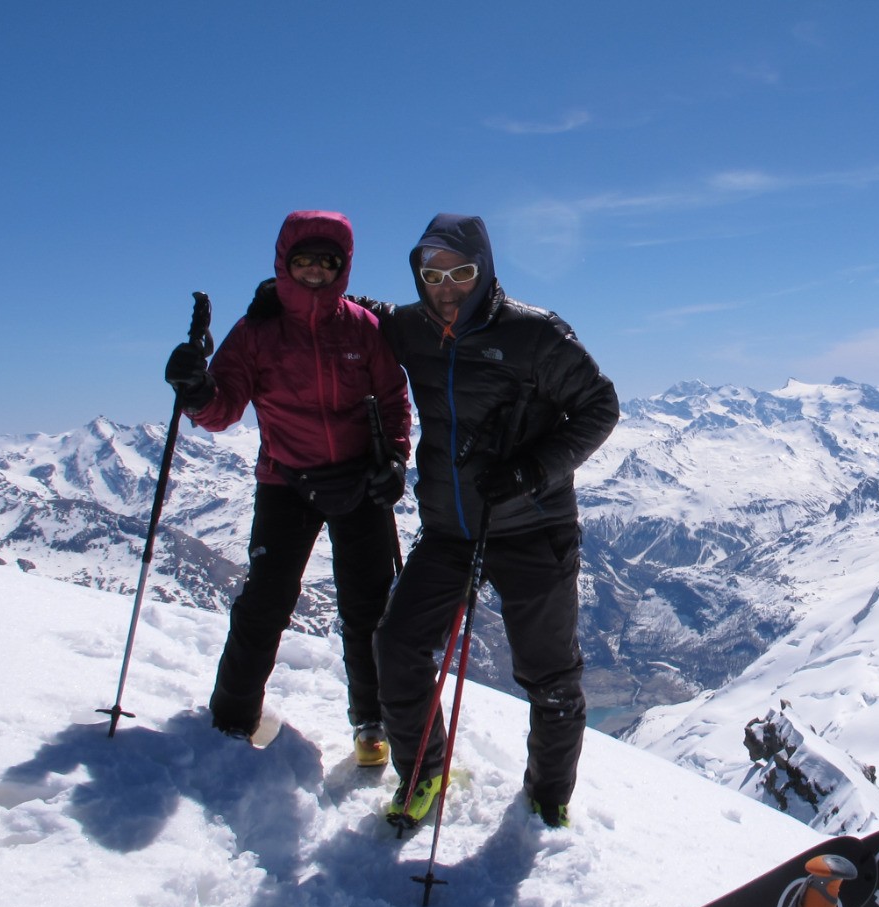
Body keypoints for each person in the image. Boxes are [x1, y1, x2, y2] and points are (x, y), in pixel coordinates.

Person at [373, 212, 618, 829]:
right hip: (451, 527)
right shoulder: (411, 328)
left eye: (461, 271)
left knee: (550, 676)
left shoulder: (535, 335)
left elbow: (599, 405)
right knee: (398, 645)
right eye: (433, 274)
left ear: (483, 272)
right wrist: (303, 298)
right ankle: (424, 773)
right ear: (418, 274)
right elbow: (362, 316)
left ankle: (547, 798)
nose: (447, 286)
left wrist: (531, 470)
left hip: (533, 526)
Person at [164, 210, 411, 767]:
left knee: (367, 608)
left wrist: (395, 456)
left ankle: (372, 721)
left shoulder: (362, 329)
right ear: (285, 264)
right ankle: (232, 716)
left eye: (328, 262)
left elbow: (395, 398)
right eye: (304, 261)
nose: (316, 272)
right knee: (265, 604)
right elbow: (223, 405)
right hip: (287, 481)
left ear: (343, 266)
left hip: (359, 479)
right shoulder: (256, 332)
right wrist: (197, 389)